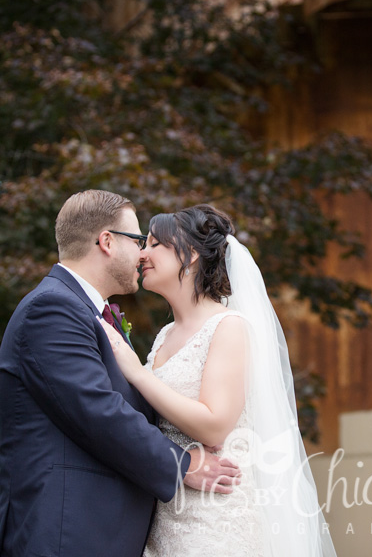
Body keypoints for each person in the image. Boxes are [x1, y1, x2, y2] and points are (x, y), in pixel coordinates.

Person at [0, 190, 241, 557]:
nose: (142, 253)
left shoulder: (89, 313)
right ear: (106, 241)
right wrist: (182, 464)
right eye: (139, 240)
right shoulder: (52, 308)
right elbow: (97, 410)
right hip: (63, 532)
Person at [100, 204, 337, 557]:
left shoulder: (229, 327)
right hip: (165, 518)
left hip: (214, 518)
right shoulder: (165, 335)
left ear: (191, 254)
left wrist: (135, 372)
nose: (141, 253)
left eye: (154, 244)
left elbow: (214, 426)